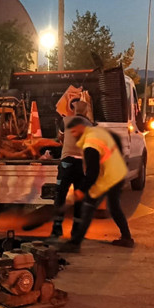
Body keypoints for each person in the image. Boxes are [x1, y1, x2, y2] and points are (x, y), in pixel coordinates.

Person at [58, 119, 134, 253]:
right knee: (114, 207)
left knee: (88, 206)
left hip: (109, 177)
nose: (73, 135)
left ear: (81, 127)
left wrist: (82, 190)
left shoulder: (91, 144)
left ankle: (75, 243)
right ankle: (127, 237)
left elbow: (93, 172)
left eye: (74, 131)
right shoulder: (95, 133)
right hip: (116, 173)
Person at [49, 100, 93, 240]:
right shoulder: (90, 125)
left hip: (66, 163)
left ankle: (57, 229)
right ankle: (76, 232)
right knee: (79, 199)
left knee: (60, 196)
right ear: (86, 112)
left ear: (74, 110)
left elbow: (59, 137)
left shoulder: (66, 120)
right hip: (81, 165)